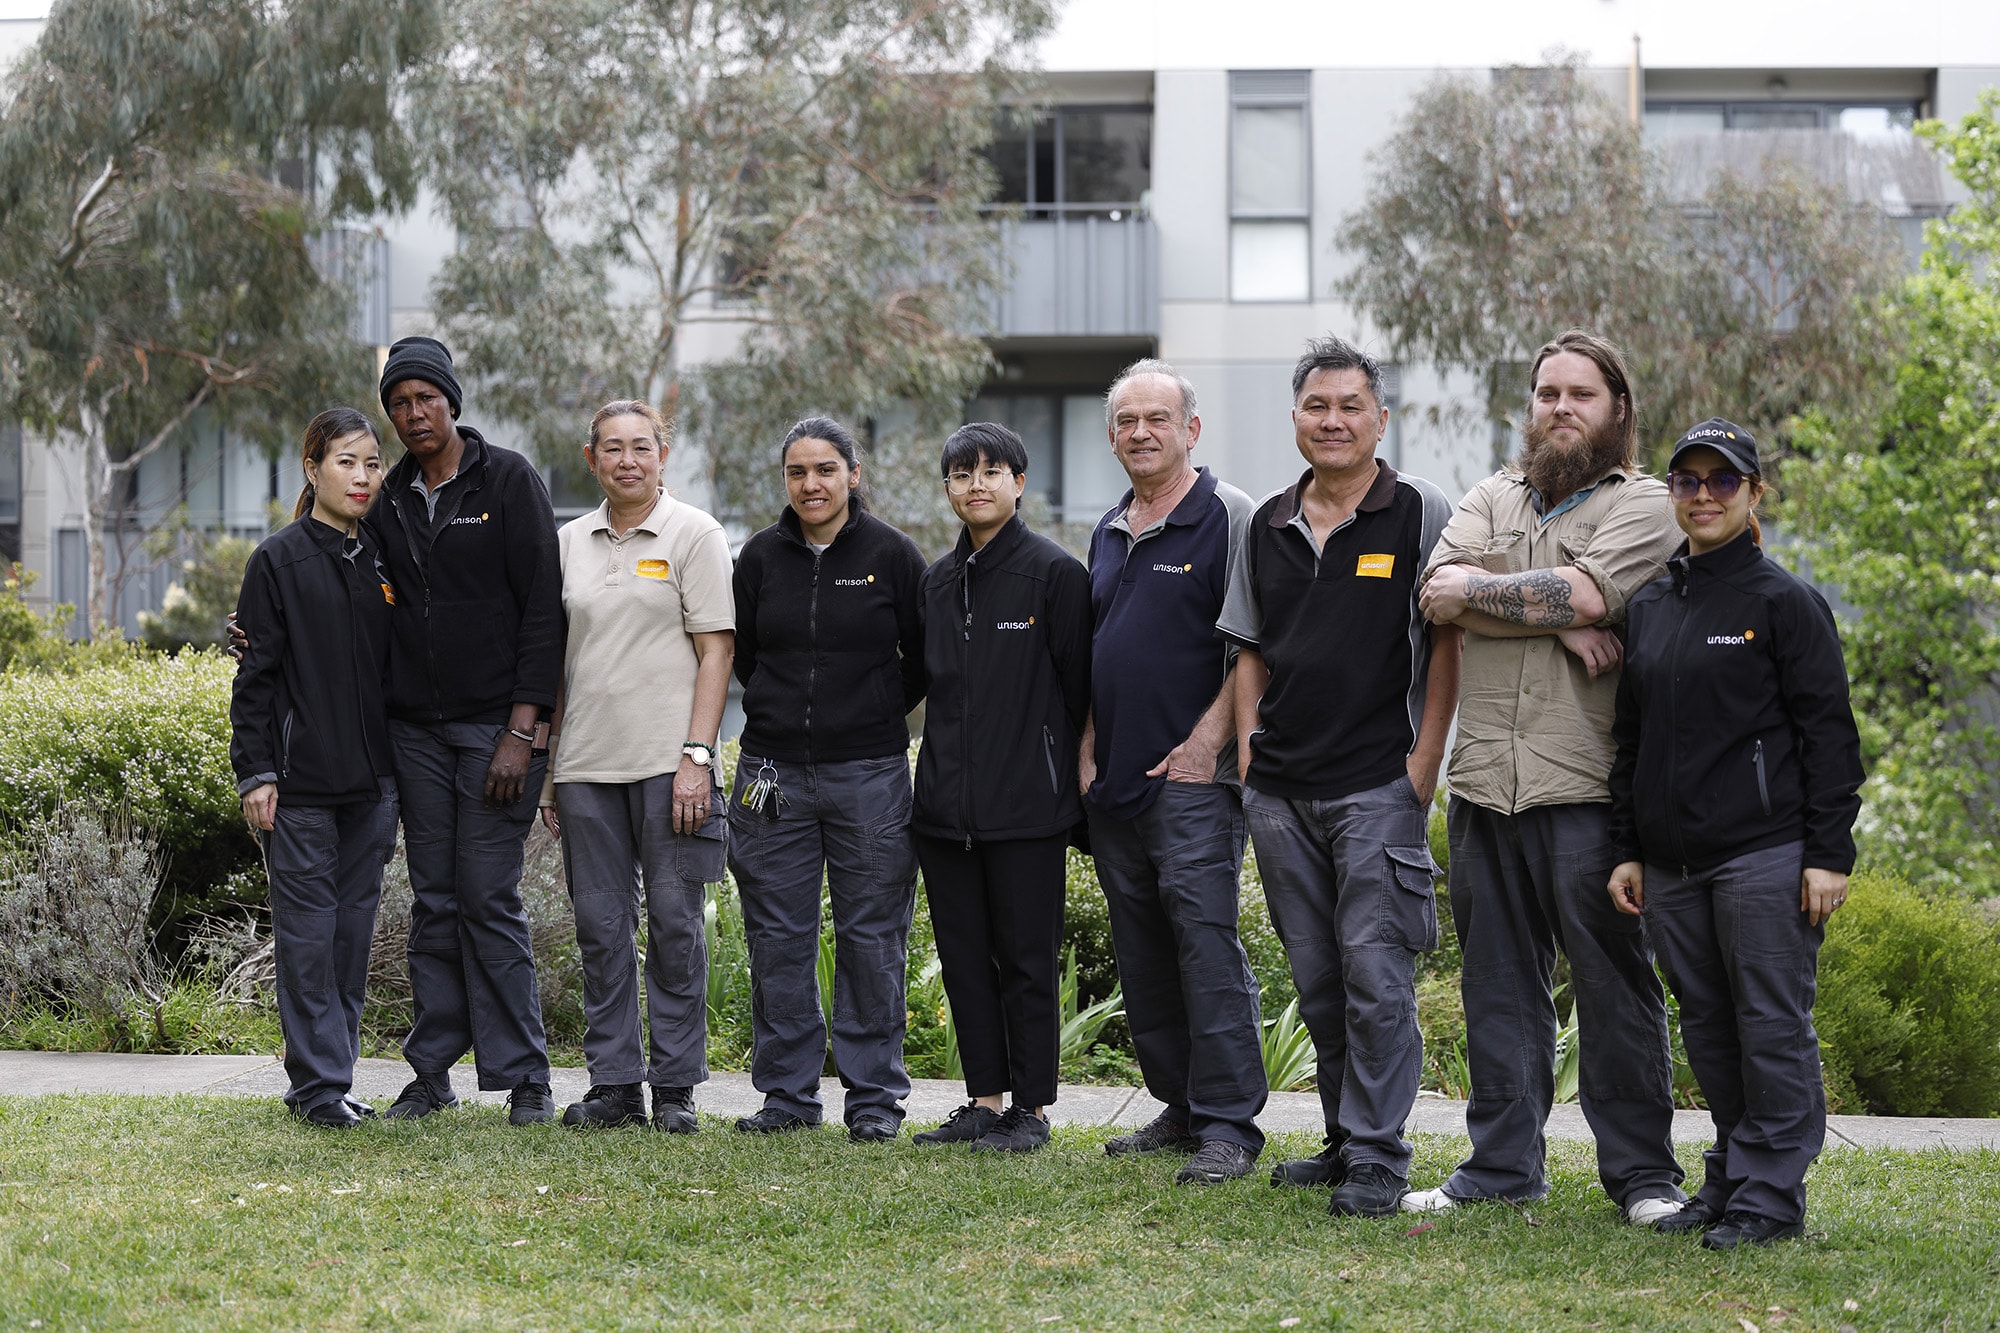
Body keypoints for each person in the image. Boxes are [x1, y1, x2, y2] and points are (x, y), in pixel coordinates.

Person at [1406, 328, 1688, 1222]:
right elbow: (1434, 587)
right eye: (1546, 393)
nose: (1560, 408)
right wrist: (1553, 609)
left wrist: (1529, 597)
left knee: (1613, 988)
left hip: (1589, 789)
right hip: (1486, 780)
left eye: (1581, 394)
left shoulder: (1648, 504)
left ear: (1617, 411)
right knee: (1496, 984)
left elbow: (1586, 595)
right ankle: (1500, 1168)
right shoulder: (1492, 492)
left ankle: (1643, 1176)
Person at [1217, 335, 1461, 1217]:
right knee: (1318, 977)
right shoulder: (1268, 522)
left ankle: (1379, 1157)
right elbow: (1247, 646)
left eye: (1350, 405)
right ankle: (1341, 1136)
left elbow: (1446, 640)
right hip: (1280, 790)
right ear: (1295, 418)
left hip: (1374, 786)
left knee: (1376, 974)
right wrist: (1248, 752)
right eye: (1317, 406)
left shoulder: (1419, 512)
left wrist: (1422, 763)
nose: (1333, 420)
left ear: (1379, 418)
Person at [1607, 418, 1864, 1250]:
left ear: (1755, 493)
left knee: (1770, 1025)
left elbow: (1831, 737)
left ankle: (1771, 1197)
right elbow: (1632, 741)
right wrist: (1627, 845)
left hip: (1766, 855)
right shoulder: (1650, 603)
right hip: (1673, 866)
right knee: (1712, 1027)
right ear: (1672, 492)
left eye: (1724, 480)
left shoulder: (1783, 601)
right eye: (1689, 480)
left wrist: (1829, 853)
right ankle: (1731, 1179)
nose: (1705, 494)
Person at [1079, 359, 1268, 1185]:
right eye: (1127, 421)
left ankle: (1230, 1124)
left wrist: (1205, 746)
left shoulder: (1230, 516)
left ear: (1191, 429)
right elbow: (1101, 647)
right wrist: (1088, 745)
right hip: (1115, 782)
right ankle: (1181, 1105)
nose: (1142, 432)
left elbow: (1255, 643)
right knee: (1144, 951)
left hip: (1193, 785)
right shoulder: (1109, 525)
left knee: (1204, 946)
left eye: (1158, 418)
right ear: (1113, 435)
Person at [373, 337, 566, 1125]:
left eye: (425, 397)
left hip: (496, 728)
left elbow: (545, 609)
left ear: (452, 399)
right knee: (436, 899)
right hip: (415, 731)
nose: (413, 413)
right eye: (399, 403)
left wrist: (524, 730)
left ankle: (528, 1076)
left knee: (488, 895)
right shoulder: (386, 496)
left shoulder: (509, 479)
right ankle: (431, 1073)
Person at [725, 416, 927, 1141]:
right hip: (770, 771)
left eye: (825, 470)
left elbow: (922, 658)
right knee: (777, 935)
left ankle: (873, 1098)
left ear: (853, 474)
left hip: (869, 773)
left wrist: (866, 713)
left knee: (873, 934)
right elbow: (746, 656)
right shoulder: (758, 557)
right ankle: (787, 1095)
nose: (811, 484)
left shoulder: (893, 555)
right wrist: (786, 712)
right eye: (797, 472)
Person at [539, 400, 734, 1133]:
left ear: (663, 454)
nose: (627, 460)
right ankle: (616, 1083)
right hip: (588, 764)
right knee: (599, 926)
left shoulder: (695, 534)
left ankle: (677, 1086)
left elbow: (717, 649)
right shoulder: (568, 543)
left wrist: (697, 756)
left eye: (641, 447)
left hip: (669, 766)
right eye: (612, 448)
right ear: (591, 458)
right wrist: (554, 771)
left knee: (676, 926)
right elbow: (558, 665)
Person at [910, 422, 1091, 1154]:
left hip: (1028, 810)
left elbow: (1082, 691)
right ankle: (983, 1101)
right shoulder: (937, 581)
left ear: (1019, 483)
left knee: (1025, 960)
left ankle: (1033, 1109)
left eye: (991, 471)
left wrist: (1069, 783)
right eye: (961, 473)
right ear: (949, 488)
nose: (976, 484)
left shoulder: (1055, 576)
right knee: (963, 956)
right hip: (944, 810)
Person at [230, 408, 399, 1129]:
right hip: (299, 788)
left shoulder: (386, 558)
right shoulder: (278, 560)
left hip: (374, 787)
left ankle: (336, 1075)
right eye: (345, 462)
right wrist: (256, 771)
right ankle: (316, 1086)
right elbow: (254, 680)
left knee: (352, 936)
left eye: (372, 463)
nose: (361, 477)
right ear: (312, 469)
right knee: (307, 936)